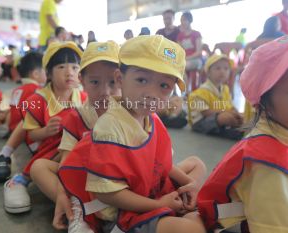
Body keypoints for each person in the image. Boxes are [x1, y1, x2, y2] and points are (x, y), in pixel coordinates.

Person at [58, 35, 206, 233]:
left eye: (164, 86)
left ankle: (182, 210)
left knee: (198, 165)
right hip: (125, 211)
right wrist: (160, 204)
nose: (152, 93)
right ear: (120, 78)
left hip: (151, 190)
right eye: (142, 80)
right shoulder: (109, 128)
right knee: (194, 228)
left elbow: (161, 163)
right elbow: (108, 195)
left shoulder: (150, 118)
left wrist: (190, 184)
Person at [197, 36, 288, 233]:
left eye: (226, 69)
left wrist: (233, 114)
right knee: (225, 120)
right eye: (217, 68)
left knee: (232, 118)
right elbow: (202, 110)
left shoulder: (226, 91)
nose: (223, 73)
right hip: (231, 221)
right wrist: (225, 115)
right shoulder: (267, 163)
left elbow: (228, 107)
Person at [29, 40, 121, 230]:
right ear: (83, 80)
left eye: (112, 82)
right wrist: (63, 194)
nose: (105, 91)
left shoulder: (132, 113)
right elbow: (66, 163)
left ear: (123, 79)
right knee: (38, 167)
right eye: (95, 82)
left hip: (121, 182)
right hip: (83, 180)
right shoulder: (75, 114)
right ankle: (75, 208)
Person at [3, 41, 86, 214]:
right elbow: (32, 135)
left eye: (75, 67)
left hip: (78, 153)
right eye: (61, 67)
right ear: (48, 73)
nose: (69, 72)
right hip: (50, 151)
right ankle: (21, 181)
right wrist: (46, 131)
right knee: (45, 163)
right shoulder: (37, 100)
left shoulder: (84, 97)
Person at [0, 52, 47, 181]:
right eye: (45, 71)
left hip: (13, 130)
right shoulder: (37, 91)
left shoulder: (17, 90)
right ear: (36, 74)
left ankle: (4, 154)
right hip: (29, 136)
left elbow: (11, 111)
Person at [187, 54, 243, 140]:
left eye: (226, 69)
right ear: (208, 72)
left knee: (239, 117)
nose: (222, 71)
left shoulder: (225, 89)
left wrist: (235, 112)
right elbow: (205, 112)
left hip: (218, 117)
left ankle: (231, 129)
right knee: (224, 117)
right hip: (200, 123)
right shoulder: (201, 92)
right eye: (218, 68)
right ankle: (227, 131)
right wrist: (226, 112)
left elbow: (229, 105)